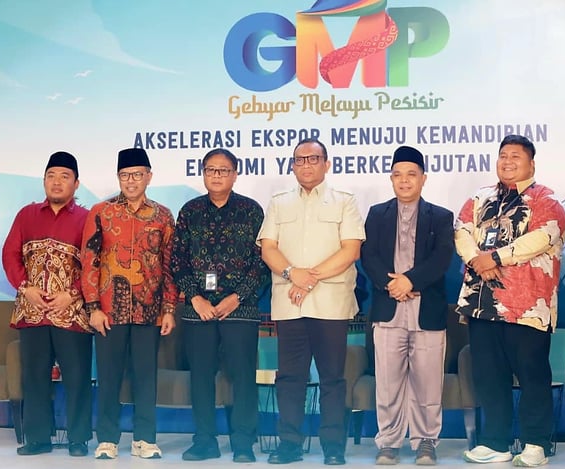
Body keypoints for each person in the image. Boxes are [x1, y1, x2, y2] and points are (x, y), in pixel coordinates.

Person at [456, 135, 565, 467]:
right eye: (503, 155)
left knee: (533, 374)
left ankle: (536, 443)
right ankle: (495, 442)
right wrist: (477, 260)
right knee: (489, 375)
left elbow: (542, 237)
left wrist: (495, 257)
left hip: (528, 306)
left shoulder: (546, 200)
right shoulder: (479, 198)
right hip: (482, 303)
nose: (507, 161)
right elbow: (462, 230)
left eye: (515, 156)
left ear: (531, 164)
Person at [257, 138, 365, 465]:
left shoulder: (344, 201)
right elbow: (268, 248)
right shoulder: (279, 202)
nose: (306, 165)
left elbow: (351, 250)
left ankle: (333, 446)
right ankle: (289, 443)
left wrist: (309, 278)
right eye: (300, 160)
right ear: (292, 166)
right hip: (290, 303)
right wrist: (294, 274)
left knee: (332, 376)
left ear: (326, 164)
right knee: (290, 378)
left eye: (313, 159)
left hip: (330, 302)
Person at [172, 148, 270, 463]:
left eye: (223, 170)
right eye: (211, 170)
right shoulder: (190, 211)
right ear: (203, 173)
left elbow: (262, 262)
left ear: (235, 174)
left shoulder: (251, 211)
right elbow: (177, 260)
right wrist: (195, 297)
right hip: (198, 310)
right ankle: (204, 441)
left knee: (242, 376)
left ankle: (243, 442)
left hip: (240, 309)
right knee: (201, 376)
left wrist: (236, 297)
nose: (216, 175)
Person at [80, 147, 177, 460]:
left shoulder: (163, 215)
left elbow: (169, 265)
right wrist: (93, 307)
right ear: (118, 178)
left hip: (149, 311)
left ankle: (145, 439)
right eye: (125, 175)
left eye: (137, 175)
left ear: (149, 176)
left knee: (146, 377)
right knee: (108, 377)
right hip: (109, 311)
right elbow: (89, 260)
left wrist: (169, 309)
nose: (131, 181)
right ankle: (107, 439)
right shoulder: (102, 212)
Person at [361, 146, 454, 466]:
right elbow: (368, 256)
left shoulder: (441, 216)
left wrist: (409, 281)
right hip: (388, 309)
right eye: (398, 175)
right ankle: (388, 442)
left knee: (428, 383)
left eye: (411, 174)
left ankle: (426, 441)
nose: (404, 181)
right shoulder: (377, 214)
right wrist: (392, 285)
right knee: (388, 384)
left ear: (423, 178)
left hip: (426, 311)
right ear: (391, 179)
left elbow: (442, 258)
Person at [2, 151, 93, 457]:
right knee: (35, 376)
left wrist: (73, 294)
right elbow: (10, 254)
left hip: (71, 313)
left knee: (77, 377)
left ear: (76, 184)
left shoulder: (86, 219)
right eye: (51, 176)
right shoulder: (26, 215)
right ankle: (38, 438)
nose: (57, 182)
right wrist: (25, 288)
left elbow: (95, 264)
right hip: (33, 311)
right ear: (44, 181)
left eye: (64, 176)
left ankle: (78, 439)